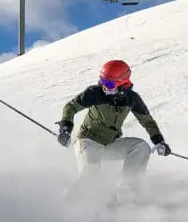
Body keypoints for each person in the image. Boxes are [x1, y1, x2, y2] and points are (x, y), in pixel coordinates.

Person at [56, 59, 171, 202]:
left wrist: (159, 142)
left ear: (123, 83)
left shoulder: (132, 99)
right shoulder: (95, 93)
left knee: (141, 147)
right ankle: (67, 204)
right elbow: (70, 107)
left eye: (109, 84)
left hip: (109, 145)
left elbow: (147, 122)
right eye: (102, 81)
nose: (104, 87)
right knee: (91, 171)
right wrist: (65, 129)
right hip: (88, 141)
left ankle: (127, 192)